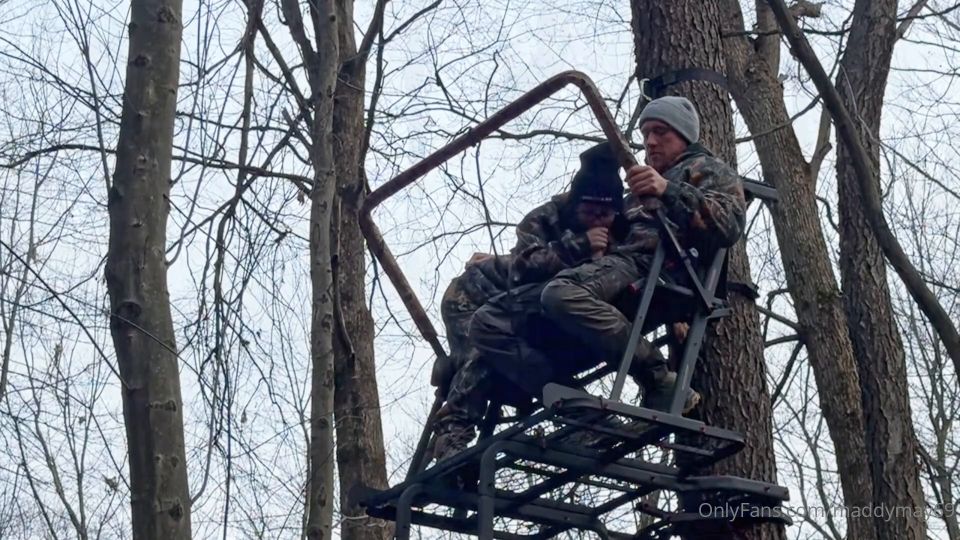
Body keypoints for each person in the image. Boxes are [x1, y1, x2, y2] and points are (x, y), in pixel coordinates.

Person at [538, 95, 746, 412]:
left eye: (661, 131)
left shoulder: (706, 170)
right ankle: (580, 409)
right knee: (513, 318)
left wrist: (667, 190)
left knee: (561, 294)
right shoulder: (635, 189)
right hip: (615, 269)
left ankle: (656, 376)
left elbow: (727, 225)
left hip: (652, 269)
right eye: (646, 133)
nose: (650, 141)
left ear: (684, 135)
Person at [429, 142, 629, 462]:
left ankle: (582, 416)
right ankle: (452, 437)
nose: (597, 220)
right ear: (575, 203)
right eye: (589, 211)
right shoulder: (544, 218)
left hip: (527, 307)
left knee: (520, 357)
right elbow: (524, 267)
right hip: (474, 296)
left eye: (605, 214)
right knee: (484, 351)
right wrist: (578, 247)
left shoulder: (617, 224)